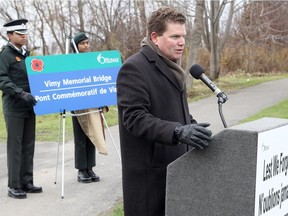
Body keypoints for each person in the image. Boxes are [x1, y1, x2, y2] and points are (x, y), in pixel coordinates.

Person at [116, 7, 212, 216]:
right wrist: (178, 132)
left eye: (183, 36)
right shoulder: (134, 68)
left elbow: (172, 111)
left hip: (177, 171)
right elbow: (135, 119)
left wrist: (193, 126)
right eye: (175, 36)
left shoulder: (173, 66)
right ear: (155, 37)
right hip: (150, 181)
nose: (182, 42)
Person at [0, 19, 42, 199]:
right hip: (15, 107)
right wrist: (20, 93)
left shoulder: (27, 55)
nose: (24, 36)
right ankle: (14, 185)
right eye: (19, 34)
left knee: (28, 145)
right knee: (15, 147)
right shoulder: (5, 54)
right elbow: (2, 79)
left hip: (29, 106)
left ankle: (27, 181)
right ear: (10, 36)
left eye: (25, 33)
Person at [71, 32, 104, 183]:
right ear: (75, 46)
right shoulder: (70, 61)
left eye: (87, 43)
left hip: (91, 103)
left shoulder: (92, 60)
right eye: (82, 43)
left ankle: (90, 167)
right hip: (77, 104)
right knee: (80, 137)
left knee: (92, 134)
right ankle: (81, 170)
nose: (86, 46)